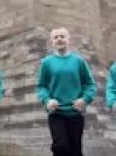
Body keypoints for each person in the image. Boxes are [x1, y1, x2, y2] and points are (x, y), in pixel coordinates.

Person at [36, 27, 97, 156]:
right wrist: (47, 100)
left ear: (69, 39)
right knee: (60, 147)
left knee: (75, 149)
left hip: (75, 113)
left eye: (62, 36)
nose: (59, 39)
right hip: (56, 113)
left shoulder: (78, 61)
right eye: (56, 37)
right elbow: (41, 86)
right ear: (51, 42)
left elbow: (90, 84)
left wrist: (85, 99)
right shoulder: (47, 63)